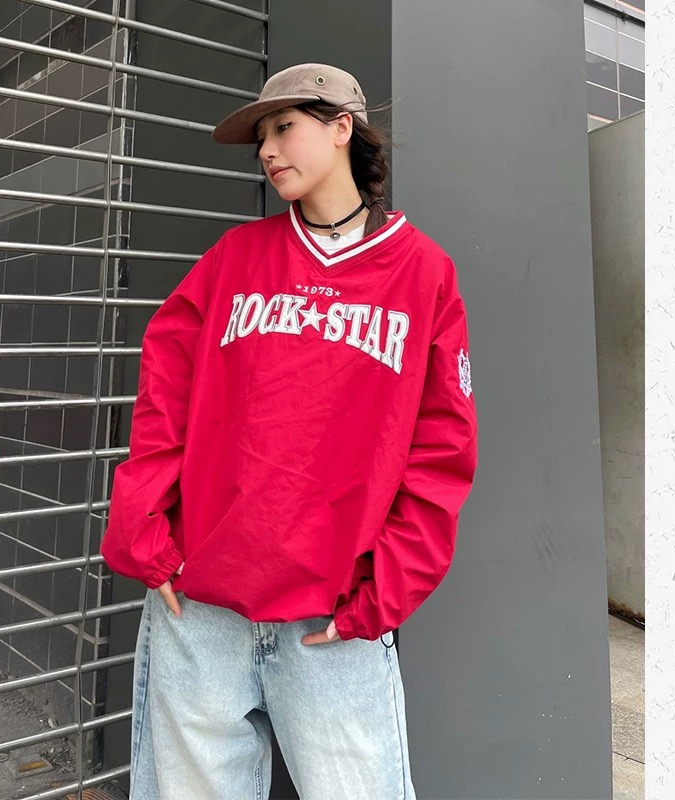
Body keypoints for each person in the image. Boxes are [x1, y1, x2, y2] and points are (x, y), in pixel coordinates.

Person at [101, 63, 478, 800]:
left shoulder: (423, 273)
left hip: (332, 619)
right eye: (261, 140)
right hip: (201, 606)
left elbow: (443, 450)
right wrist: (147, 536)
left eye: (284, 127)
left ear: (342, 128)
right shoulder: (234, 260)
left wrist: (381, 596)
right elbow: (164, 396)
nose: (269, 150)